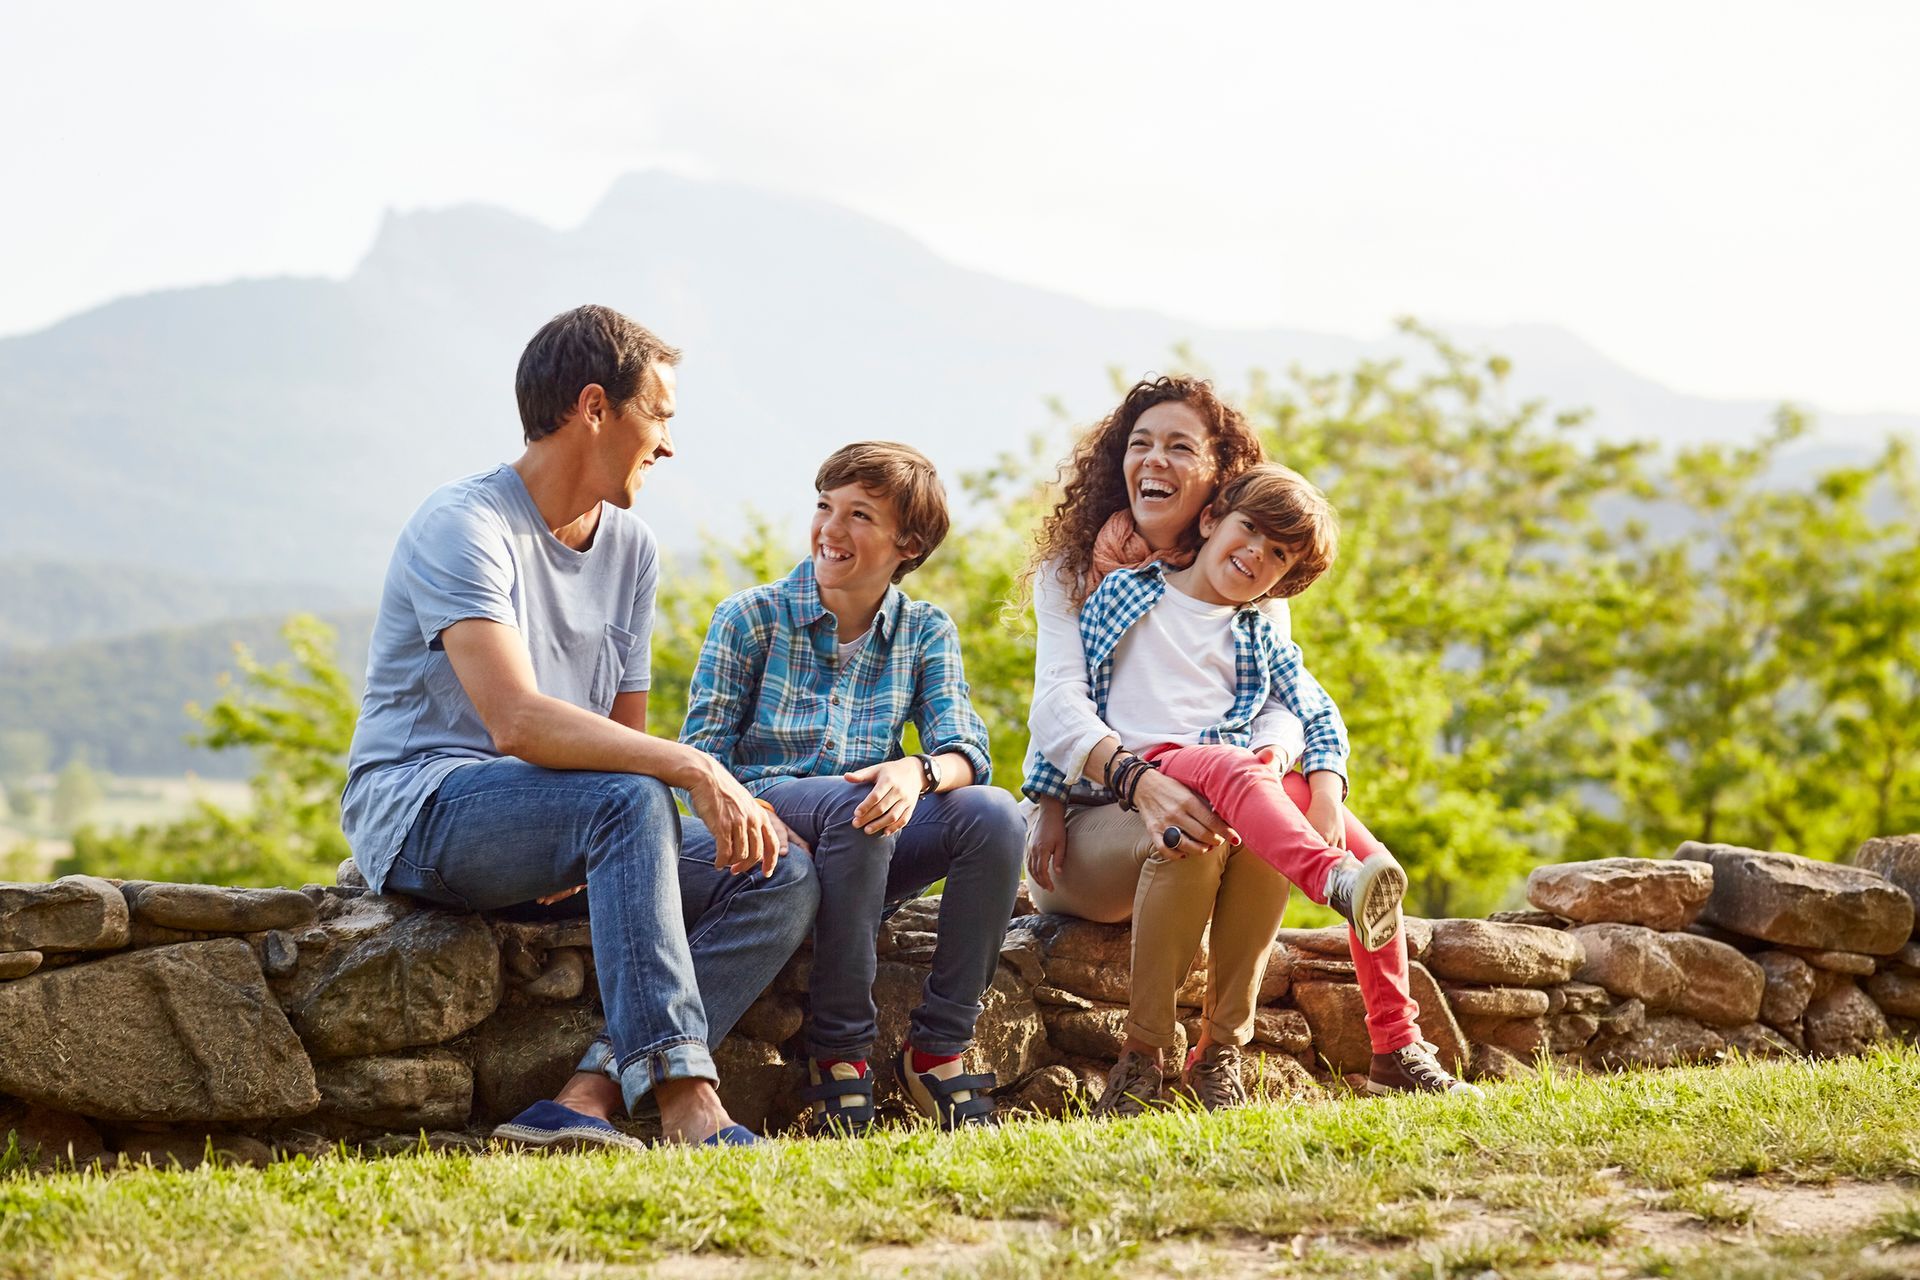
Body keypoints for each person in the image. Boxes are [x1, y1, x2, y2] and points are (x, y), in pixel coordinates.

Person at [340, 304, 817, 1150]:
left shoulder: (632, 549)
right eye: (659, 416)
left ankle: (585, 1097)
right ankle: (689, 1107)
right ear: (595, 408)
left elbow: (618, 736)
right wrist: (695, 772)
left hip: (570, 817)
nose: (668, 444)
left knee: (775, 869)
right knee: (630, 800)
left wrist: (602, 820)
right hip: (426, 811)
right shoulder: (464, 526)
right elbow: (516, 721)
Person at [1021, 376, 1476, 1114]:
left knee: (1320, 840)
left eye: (1180, 447)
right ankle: (1146, 1058)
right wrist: (1047, 794)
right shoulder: (1108, 585)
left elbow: (1296, 704)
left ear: (1217, 480)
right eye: (1142, 445)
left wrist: (1312, 777)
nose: (1155, 461)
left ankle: (1374, 1046)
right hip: (1116, 800)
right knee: (1217, 803)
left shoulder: (1260, 611)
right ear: (1218, 520)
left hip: (1232, 779)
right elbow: (1065, 700)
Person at [681, 441, 1024, 1137]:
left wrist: (917, 769)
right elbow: (701, 762)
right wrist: (763, 813)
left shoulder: (924, 631)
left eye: (859, 515)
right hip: (774, 806)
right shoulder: (750, 618)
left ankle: (937, 1050)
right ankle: (838, 1055)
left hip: (869, 832)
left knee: (996, 815)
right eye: (824, 506)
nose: (830, 530)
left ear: (909, 543)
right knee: (858, 804)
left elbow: (968, 749)